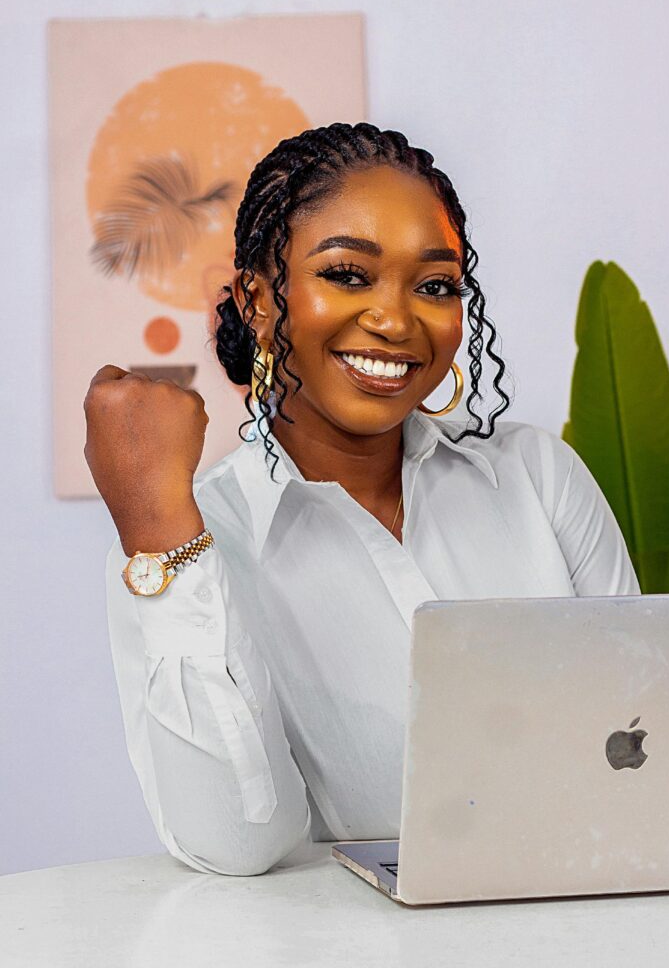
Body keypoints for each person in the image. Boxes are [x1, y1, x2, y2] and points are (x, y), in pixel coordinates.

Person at [84, 122, 639, 877]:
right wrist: (155, 522)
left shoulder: (537, 477)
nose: (396, 319)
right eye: (348, 274)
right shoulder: (186, 545)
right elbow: (238, 841)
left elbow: (640, 744)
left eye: (435, 285)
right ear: (257, 299)